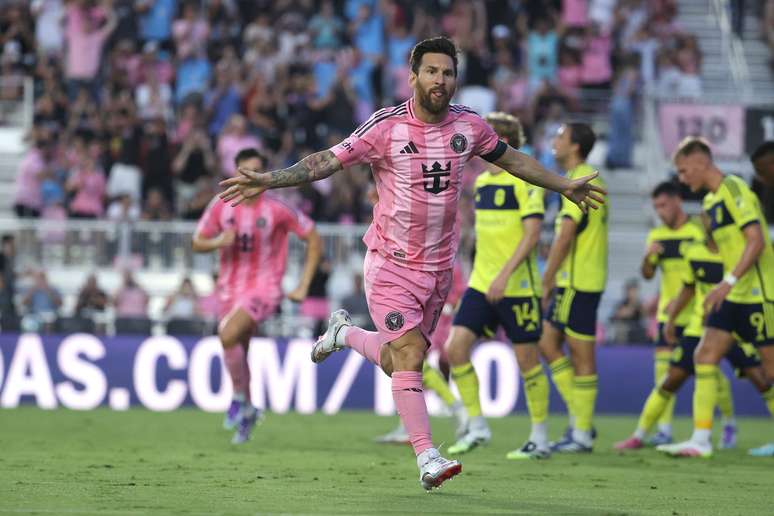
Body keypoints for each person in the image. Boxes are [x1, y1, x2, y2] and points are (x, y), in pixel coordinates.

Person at [219, 37, 605, 489]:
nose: (441, 81)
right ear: (413, 77)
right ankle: (427, 456)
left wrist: (563, 185)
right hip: (390, 264)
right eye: (432, 72)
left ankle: (344, 334)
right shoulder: (385, 127)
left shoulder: (470, 127)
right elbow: (326, 161)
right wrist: (270, 179)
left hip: (439, 269)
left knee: (395, 358)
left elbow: (513, 159)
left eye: (447, 73)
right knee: (410, 355)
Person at [194, 148, 322, 445]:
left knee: (227, 334)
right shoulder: (221, 204)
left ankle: (238, 399)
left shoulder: (277, 208)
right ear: (236, 173)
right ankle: (249, 410)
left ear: (263, 176)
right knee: (239, 349)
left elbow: (313, 237)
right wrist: (217, 242)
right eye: (244, 171)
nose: (248, 177)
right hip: (228, 290)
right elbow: (196, 242)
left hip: (264, 289)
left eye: (255, 171)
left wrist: (303, 284)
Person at [443, 112, 552, 461]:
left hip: (517, 286)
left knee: (528, 360)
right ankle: (476, 424)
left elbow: (533, 235)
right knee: (455, 348)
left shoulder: (527, 182)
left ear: (500, 141)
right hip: (481, 283)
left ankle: (540, 437)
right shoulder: (482, 185)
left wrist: (504, 275)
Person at [659, 137, 774, 458]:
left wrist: (728, 281)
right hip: (733, 294)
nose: (682, 179)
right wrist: (721, 286)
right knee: (705, 356)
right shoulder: (710, 204)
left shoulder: (735, 190)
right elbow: (731, 250)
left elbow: (756, 242)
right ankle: (700, 439)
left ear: (700, 162)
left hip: (760, 293)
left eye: (683, 171)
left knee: (770, 371)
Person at [614, 218, 772, 451]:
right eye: (706, 216)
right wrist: (672, 318)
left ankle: (720, 430)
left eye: (712, 217)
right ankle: (639, 435)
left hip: (737, 325)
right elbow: (688, 287)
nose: (709, 221)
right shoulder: (694, 250)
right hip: (702, 328)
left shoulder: (739, 251)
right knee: (670, 380)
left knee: (762, 379)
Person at [538, 122, 608, 453]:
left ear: (576, 146)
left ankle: (580, 429)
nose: (555, 141)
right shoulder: (585, 177)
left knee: (574, 352)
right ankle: (580, 422)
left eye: (560, 137)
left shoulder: (578, 180)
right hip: (582, 280)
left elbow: (566, 235)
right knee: (552, 343)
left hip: (577, 281)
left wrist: (547, 278)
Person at [638, 181, 706, 445]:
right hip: (668, 317)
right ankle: (664, 430)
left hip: (696, 314)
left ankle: (729, 424)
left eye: (663, 205)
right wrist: (647, 258)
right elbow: (647, 275)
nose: (660, 212)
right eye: (656, 207)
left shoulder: (697, 232)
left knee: (709, 374)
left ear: (677, 201)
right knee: (663, 375)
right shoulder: (657, 236)